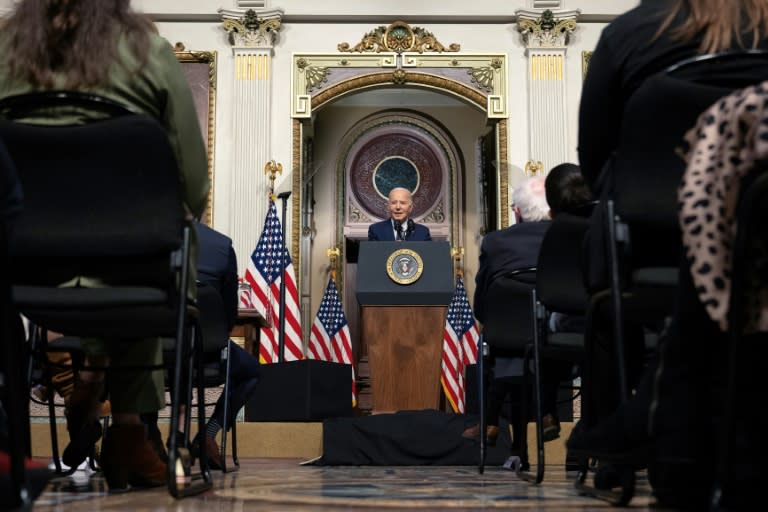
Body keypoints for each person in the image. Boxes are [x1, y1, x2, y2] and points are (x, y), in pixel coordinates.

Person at [0, 0, 210, 489]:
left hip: (25, 269)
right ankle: (129, 434)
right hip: (133, 265)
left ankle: (92, 379)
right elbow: (194, 188)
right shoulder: (149, 52)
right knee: (150, 250)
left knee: (136, 253)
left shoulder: (4, 55)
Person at [568, 1, 768, 507]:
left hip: (659, 238)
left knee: (605, 289)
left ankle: (618, 447)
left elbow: (595, 160)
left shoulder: (630, 33)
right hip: (762, 237)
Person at [466, 168, 592, 448]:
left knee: (502, 345)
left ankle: (491, 422)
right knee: (536, 336)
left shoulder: (495, 242)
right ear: (550, 210)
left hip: (507, 337)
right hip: (560, 340)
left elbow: (483, 301)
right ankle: (545, 412)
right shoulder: (569, 236)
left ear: (517, 212)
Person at [143, 222, 260, 471]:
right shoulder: (221, 245)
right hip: (207, 355)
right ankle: (208, 434)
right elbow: (229, 314)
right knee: (251, 371)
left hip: (154, 355)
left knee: (138, 359)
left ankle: (148, 433)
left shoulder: (148, 240)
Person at [367, 187, 432, 241]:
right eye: (394, 203)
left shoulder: (423, 232)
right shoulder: (376, 230)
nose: (398, 207)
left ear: (410, 207)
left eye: (403, 203)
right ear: (388, 206)